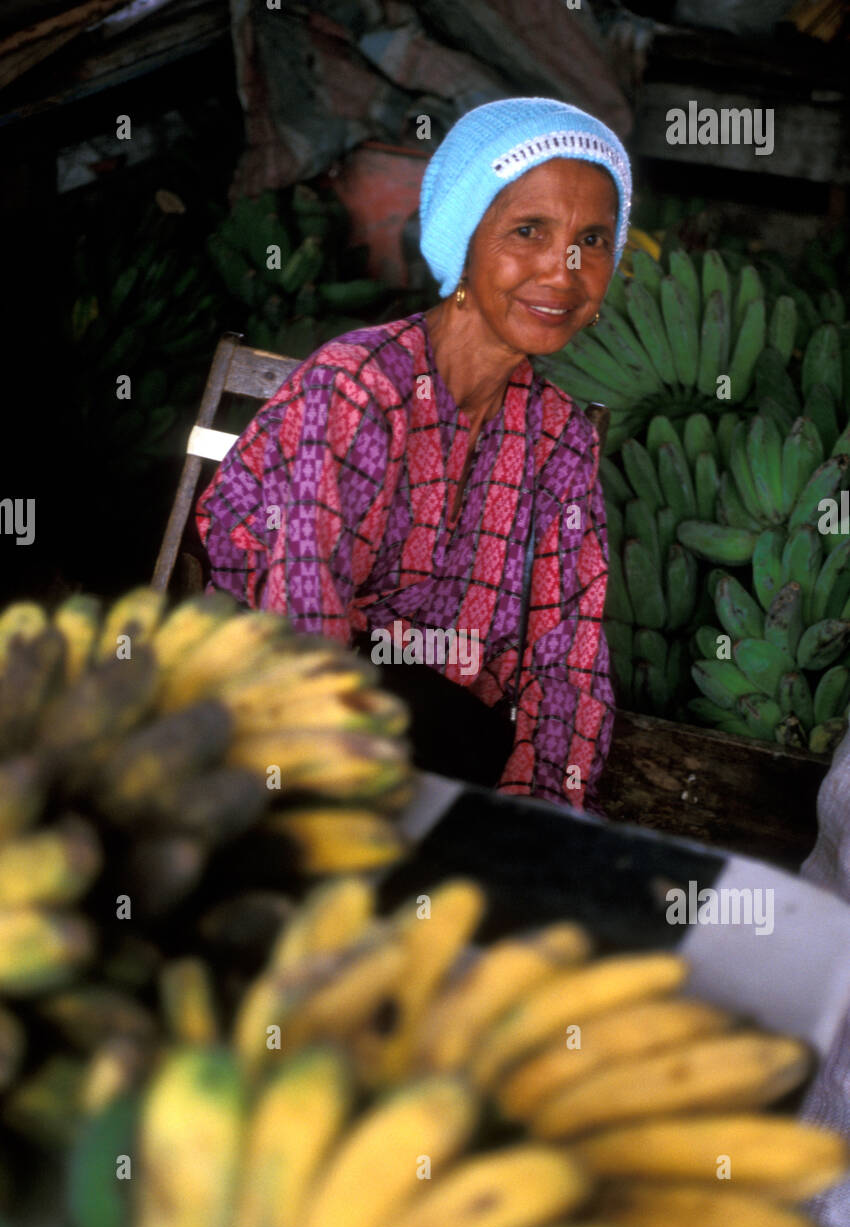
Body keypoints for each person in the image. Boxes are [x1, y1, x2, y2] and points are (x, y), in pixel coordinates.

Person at [196, 97, 632, 814]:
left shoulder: (561, 439)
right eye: (530, 230)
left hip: (437, 732)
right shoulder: (360, 388)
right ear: (464, 239)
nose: (565, 269)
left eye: (594, 239)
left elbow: (569, 660)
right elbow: (307, 608)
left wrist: (545, 814)